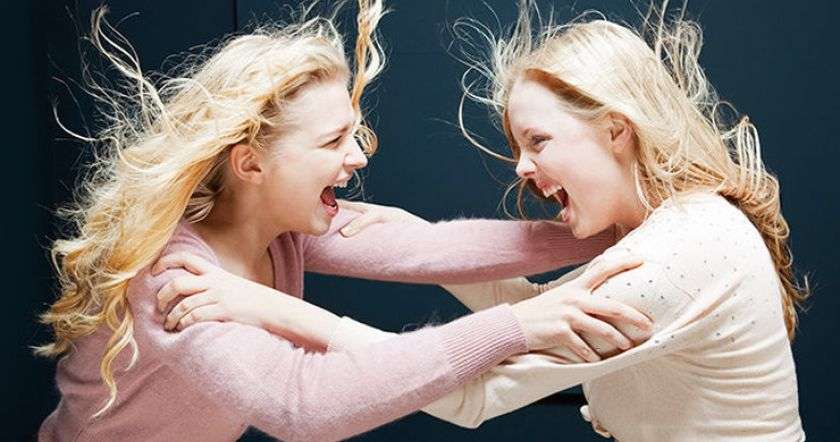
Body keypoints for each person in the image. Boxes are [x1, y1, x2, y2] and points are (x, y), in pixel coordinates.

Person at [176, 1, 808, 440]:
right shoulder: (678, 227)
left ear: (616, 130)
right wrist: (419, 242)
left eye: (538, 140)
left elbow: (469, 396)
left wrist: (262, 305)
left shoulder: (677, 256)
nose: (522, 167)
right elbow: (534, 313)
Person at [36, 2, 652, 441]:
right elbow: (302, 405)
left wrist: (618, 223)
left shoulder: (283, 228)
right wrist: (516, 325)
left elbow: (429, 249)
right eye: (333, 141)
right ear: (250, 163)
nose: (357, 157)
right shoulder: (176, 280)